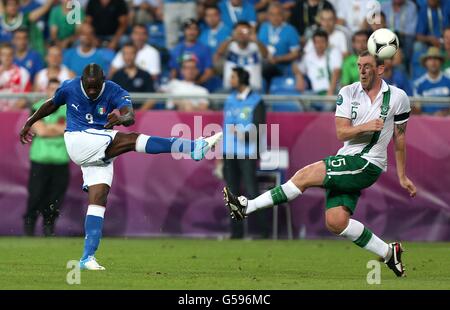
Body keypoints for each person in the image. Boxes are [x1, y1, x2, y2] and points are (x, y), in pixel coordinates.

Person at [223, 50, 417, 277]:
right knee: (336, 222)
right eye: (359, 66)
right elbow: (341, 133)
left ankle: (248, 207)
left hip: (368, 162)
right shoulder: (348, 92)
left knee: (304, 176)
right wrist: (365, 126)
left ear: (381, 69)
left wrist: (402, 176)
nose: (362, 71)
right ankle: (388, 252)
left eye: (367, 66)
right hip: (348, 156)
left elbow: (400, 138)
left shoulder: (398, 97)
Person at [19, 63, 222, 270]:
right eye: (88, 86)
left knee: (98, 199)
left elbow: (129, 115)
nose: (91, 91)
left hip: (98, 150)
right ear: (81, 81)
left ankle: (87, 258)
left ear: (103, 80)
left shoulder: (115, 90)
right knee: (132, 140)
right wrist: (29, 121)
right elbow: (52, 104)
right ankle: (194, 147)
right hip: (78, 140)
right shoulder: (69, 87)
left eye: (95, 86)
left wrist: (121, 117)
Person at [222, 67, 267, 239]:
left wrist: (243, 134)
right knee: (232, 194)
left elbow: (259, 127)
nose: (230, 80)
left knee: (252, 191)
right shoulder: (229, 100)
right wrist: (221, 155)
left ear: (241, 79)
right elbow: (225, 127)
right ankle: (237, 233)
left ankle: (263, 231)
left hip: (248, 153)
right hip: (229, 153)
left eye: (233, 77)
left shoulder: (256, 101)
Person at [23, 78, 69, 237]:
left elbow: (67, 129)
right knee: (35, 195)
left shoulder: (69, 109)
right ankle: (29, 228)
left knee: (55, 199)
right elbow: (40, 131)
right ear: (46, 90)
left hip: (61, 161)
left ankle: (49, 228)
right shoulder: (37, 108)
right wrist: (58, 129)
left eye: (58, 90)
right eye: (52, 89)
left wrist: (50, 128)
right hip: (40, 160)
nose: (55, 93)